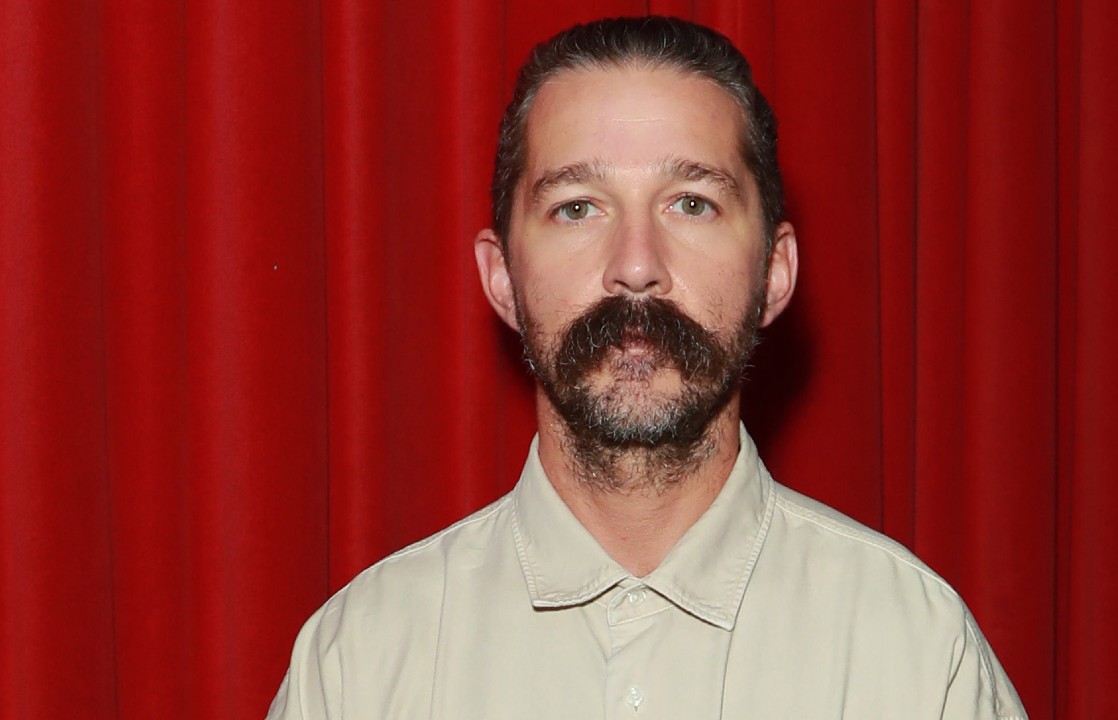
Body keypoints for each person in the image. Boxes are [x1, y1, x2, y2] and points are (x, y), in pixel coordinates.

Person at [268, 16, 1026, 719]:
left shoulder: (923, 658)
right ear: (502, 279)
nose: (636, 267)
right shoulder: (358, 666)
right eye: (577, 207)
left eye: (691, 203)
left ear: (775, 272)